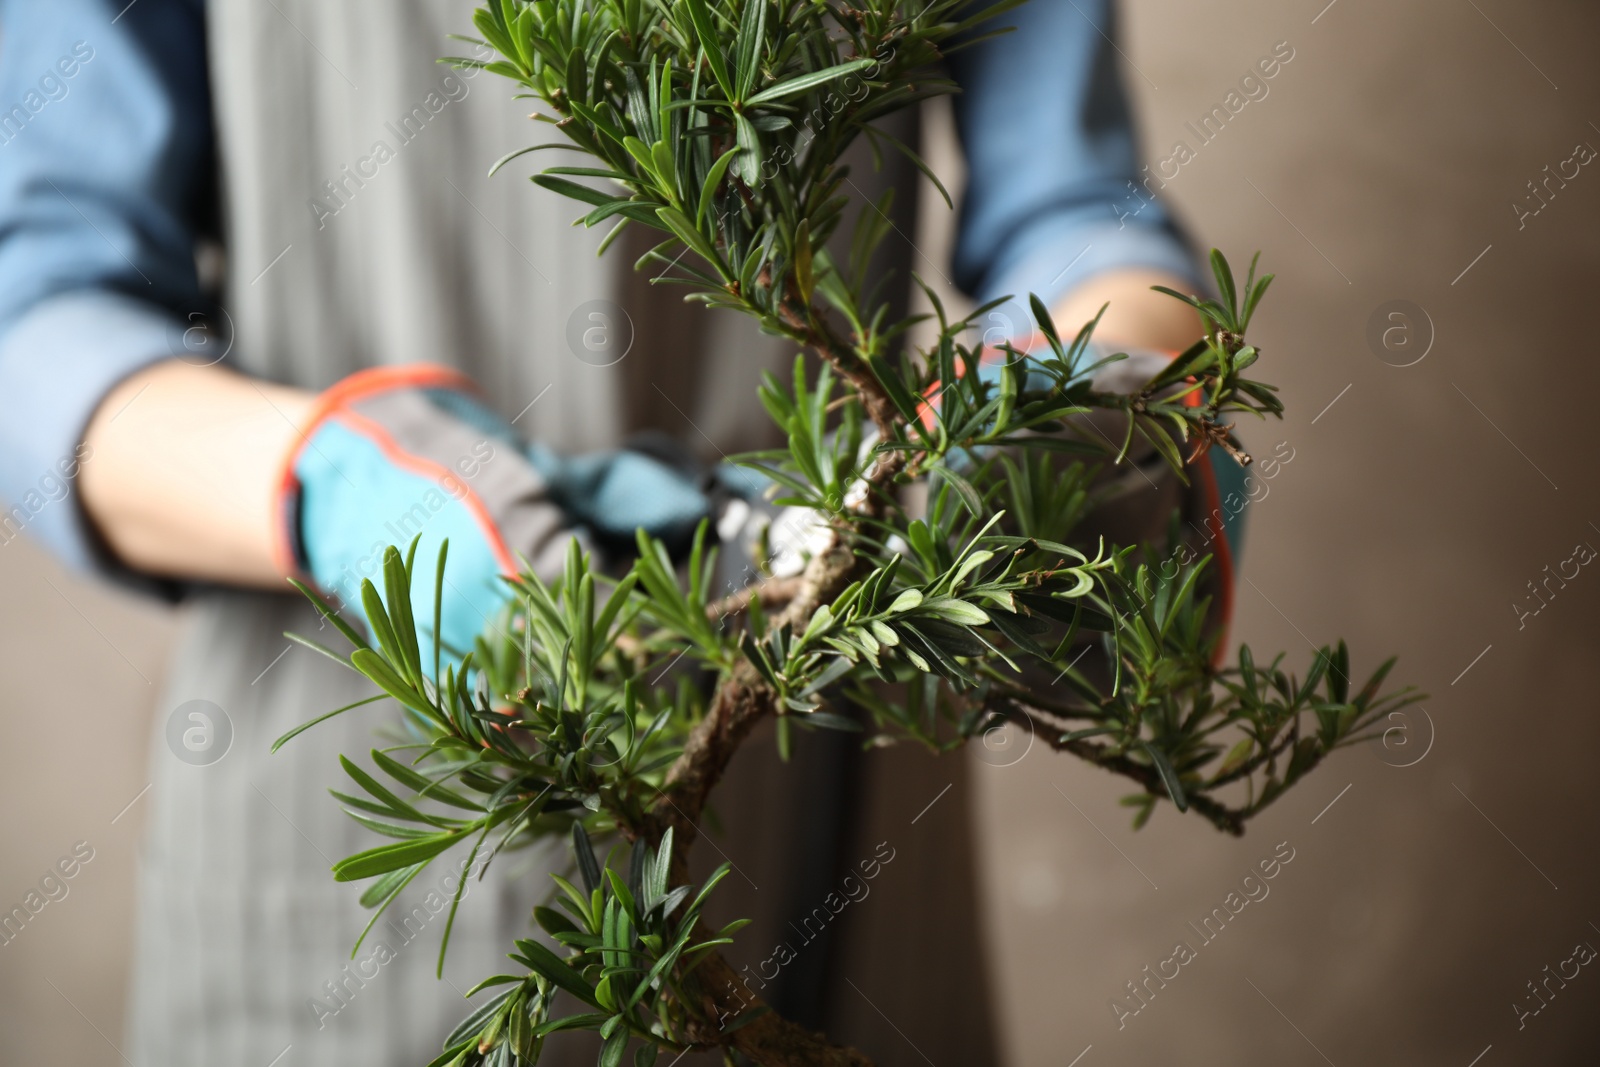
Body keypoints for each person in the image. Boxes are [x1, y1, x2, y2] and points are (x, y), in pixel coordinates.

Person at [0, 0, 1203, 1063]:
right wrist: (343, 489)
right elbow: (41, 307)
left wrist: (1078, 410)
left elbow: (1086, 213)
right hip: (358, 814)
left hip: (842, 757)